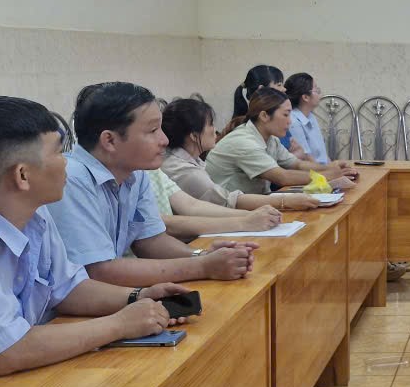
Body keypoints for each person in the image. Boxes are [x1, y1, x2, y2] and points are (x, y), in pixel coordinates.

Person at [0, 96, 192, 386]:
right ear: (22, 175)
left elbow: (68, 288)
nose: (67, 163)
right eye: (59, 152)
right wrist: (119, 324)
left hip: (24, 380)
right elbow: (4, 352)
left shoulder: (35, 215)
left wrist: (138, 297)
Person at [48, 82, 257, 286]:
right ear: (109, 140)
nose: (164, 140)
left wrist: (203, 255)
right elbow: (98, 271)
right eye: (153, 130)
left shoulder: (135, 173)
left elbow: (150, 241)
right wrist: (203, 266)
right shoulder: (71, 179)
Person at [161, 97, 322, 212]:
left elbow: (295, 164)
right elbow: (229, 200)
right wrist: (284, 201)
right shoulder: (184, 170)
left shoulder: (191, 159)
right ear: (193, 135)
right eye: (210, 124)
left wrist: (328, 171)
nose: (214, 130)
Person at [205, 87, 358, 196]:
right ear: (264, 116)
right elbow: (282, 177)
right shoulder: (244, 142)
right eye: (285, 115)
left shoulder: (270, 139)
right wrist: (328, 175)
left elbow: (297, 164)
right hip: (227, 211)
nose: (290, 121)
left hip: (254, 204)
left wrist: (330, 166)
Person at [146, 168, 282, 241]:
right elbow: (164, 224)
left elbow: (191, 205)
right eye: (152, 131)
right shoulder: (185, 170)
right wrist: (244, 222)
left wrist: (251, 215)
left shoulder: (152, 170)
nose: (164, 140)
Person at [228, 64, 306, 159]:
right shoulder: (250, 128)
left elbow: (295, 150)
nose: (284, 89)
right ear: (262, 90)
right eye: (279, 85)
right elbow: (273, 163)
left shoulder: (277, 118)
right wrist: (297, 154)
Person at [286, 73, 331, 164]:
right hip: (311, 170)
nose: (319, 93)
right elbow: (305, 158)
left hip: (322, 168)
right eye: (316, 90)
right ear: (305, 97)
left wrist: (333, 165)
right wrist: (329, 170)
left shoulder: (310, 116)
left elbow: (322, 155)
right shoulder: (293, 122)